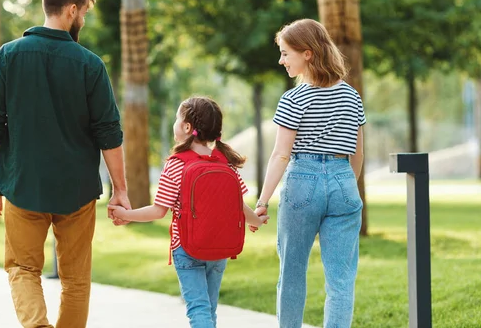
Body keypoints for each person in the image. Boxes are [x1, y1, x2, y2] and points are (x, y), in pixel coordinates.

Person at [0, 0, 130, 328]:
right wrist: (120, 190)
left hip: (22, 184)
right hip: (76, 191)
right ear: (71, 10)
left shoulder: (8, 56)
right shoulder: (90, 64)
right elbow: (109, 132)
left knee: (22, 268)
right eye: (85, 13)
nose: (84, 20)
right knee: (76, 279)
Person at [108, 97, 269, 328]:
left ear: (186, 127)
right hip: (220, 249)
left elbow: (158, 211)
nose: (175, 123)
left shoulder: (176, 164)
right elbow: (239, 206)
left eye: (177, 118)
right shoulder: (226, 163)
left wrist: (125, 215)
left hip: (187, 247)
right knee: (209, 309)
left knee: (198, 309)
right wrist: (257, 220)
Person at [254, 19, 366, 328]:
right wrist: (345, 185)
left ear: (308, 53)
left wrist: (262, 202)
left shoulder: (294, 98)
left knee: (291, 273)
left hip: (303, 180)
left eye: (285, 53)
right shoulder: (351, 96)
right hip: (344, 179)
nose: (281, 60)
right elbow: (357, 154)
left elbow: (280, 154)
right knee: (341, 281)